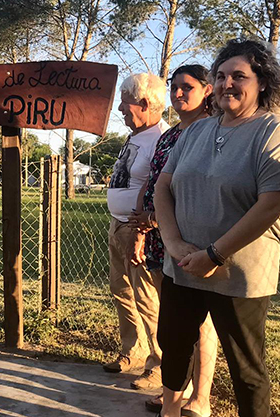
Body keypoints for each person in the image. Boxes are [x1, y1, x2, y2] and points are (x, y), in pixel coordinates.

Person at [123, 39, 280, 417]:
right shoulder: (197, 131)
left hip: (239, 271)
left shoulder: (274, 131)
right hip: (183, 262)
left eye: (238, 76)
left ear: (263, 82)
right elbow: (163, 186)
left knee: (245, 361)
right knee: (174, 340)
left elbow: (273, 201)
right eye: (221, 76)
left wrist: (215, 254)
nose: (227, 84)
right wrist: (172, 243)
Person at [128, 65, 219, 417]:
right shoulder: (170, 136)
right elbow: (154, 181)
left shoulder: (212, 132)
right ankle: (173, 394)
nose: (179, 94)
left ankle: (201, 397)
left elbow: (203, 190)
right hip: (158, 239)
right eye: (175, 88)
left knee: (201, 323)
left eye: (188, 87)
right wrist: (143, 224)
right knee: (174, 321)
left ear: (207, 90)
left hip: (190, 240)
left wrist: (160, 221)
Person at [103, 73, 169, 379]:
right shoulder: (135, 135)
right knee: (121, 291)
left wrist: (144, 230)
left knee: (146, 297)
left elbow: (160, 188)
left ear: (145, 103)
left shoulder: (162, 138)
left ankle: (159, 363)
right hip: (118, 225)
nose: (120, 111)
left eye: (125, 104)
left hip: (139, 230)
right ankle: (132, 351)